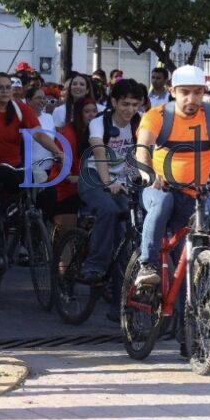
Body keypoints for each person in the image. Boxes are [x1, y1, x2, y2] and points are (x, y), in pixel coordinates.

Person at [133, 65, 210, 288]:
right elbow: (142, 147)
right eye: (185, 92)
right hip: (158, 187)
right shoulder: (157, 116)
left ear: (204, 92)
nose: (191, 98)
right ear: (172, 91)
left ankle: (187, 313)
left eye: (197, 92)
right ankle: (148, 266)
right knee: (162, 202)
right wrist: (148, 173)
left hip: (193, 193)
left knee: (184, 256)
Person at [0, 73, 65, 303]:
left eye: (8, 87)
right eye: (0, 88)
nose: (5, 92)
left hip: (10, 166)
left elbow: (38, 133)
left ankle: (27, 230)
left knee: (46, 189)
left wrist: (57, 151)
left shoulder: (20, 109)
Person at [78, 80, 145, 281]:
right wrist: (107, 183)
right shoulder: (99, 122)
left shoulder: (138, 122)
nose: (130, 109)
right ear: (114, 102)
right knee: (109, 209)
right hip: (94, 176)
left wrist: (138, 176)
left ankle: (118, 288)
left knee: (130, 219)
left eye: (135, 104)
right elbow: (99, 151)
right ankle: (94, 265)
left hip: (120, 179)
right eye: (125, 104)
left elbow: (140, 150)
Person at [53, 97, 98, 234]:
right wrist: (70, 176)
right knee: (67, 234)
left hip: (87, 184)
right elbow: (61, 159)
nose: (92, 115)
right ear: (79, 114)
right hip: (65, 187)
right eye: (87, 111)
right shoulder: (67, 133)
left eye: (94, 111)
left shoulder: (97, 131)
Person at [24, 86, 57, 178]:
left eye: (43, 98)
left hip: (48, 168)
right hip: (28, 169)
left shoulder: (49, 117)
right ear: (28, 100)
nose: (42, 101)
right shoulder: (22, 119)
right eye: (38, 98)